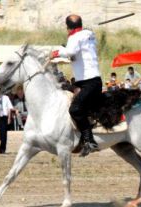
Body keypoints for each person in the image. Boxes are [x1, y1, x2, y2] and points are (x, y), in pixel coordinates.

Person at [51, 14, 102, 157]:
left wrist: (56, 52)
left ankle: (89, 141)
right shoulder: (88, 34)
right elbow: (76, 53)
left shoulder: (75, 38)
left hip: (89, 82)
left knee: (75, 109)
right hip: (87, 81)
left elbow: (70, 52)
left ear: (68, 27)